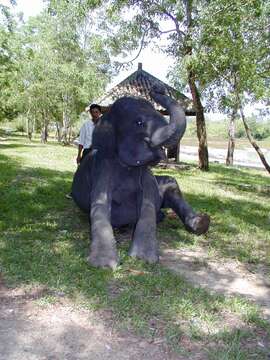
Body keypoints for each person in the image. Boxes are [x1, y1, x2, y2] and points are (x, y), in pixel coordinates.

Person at [66, 103, 101, 199]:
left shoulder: (104, 125)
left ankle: (94, 195)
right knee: (81, 173)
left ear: (100, 113)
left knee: (98, 174)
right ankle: (74, 193)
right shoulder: (86, 125)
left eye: (96, 112)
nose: (95, 114)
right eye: (93, 112)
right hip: (87, 152)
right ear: (90, 113)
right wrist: (79, 155)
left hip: (100, 153)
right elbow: (81, 141)